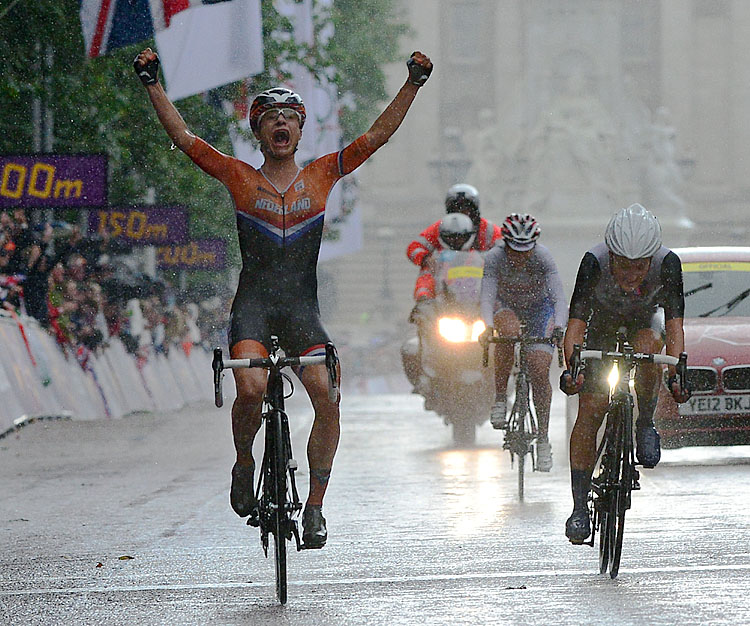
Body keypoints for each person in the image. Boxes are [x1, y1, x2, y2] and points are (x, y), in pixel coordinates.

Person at [134, 47, 433, 548]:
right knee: (250, 390)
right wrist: (152, 83)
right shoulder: (238, 177)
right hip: (252, 307)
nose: (280, 125)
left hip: (301, 311)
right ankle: (244, 461)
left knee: (328, 399)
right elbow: (184, 139)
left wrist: (413, 84)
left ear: (299, 131)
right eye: (271, 118)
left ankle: (315, 506)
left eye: (289, 119)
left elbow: (376, 136)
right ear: (259, 132)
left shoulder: (322, 175)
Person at [559, 203, 691, 543]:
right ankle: (578, 506)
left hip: (643, 323)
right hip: (600, 326)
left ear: (651, 260)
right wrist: (572, 368)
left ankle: (645, 421)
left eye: (639, 268)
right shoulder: (593, 262)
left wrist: (676, 373)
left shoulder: (668, 264)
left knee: (650, 346)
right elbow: (575, 325)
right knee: (590, 410)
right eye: (623, 266)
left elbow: (675, 329)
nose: (631, 276)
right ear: (612, 256)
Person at [478, 213, 567, 471]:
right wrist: (487, 326)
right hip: (507, 307)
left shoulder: (543, 257)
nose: (520, 256)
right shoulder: (494, 258)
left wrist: (559, 326)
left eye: (525, 251)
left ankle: (543, 439)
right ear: (505, 244)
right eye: (514, 251)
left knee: (539, 370)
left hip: (540, 310)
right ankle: (499, 398)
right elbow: (486, 296)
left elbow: (559, 298)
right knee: (505, 332)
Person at [406, 184, 502, 303]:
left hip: (479, 290)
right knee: (428, 271)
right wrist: (425, 258)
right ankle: (425, 302)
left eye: (466, 209)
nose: (461, 213)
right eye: (457, 209)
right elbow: (415, 247)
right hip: (445, 291)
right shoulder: (440, 227)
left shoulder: (488, 229)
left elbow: (504, 249)